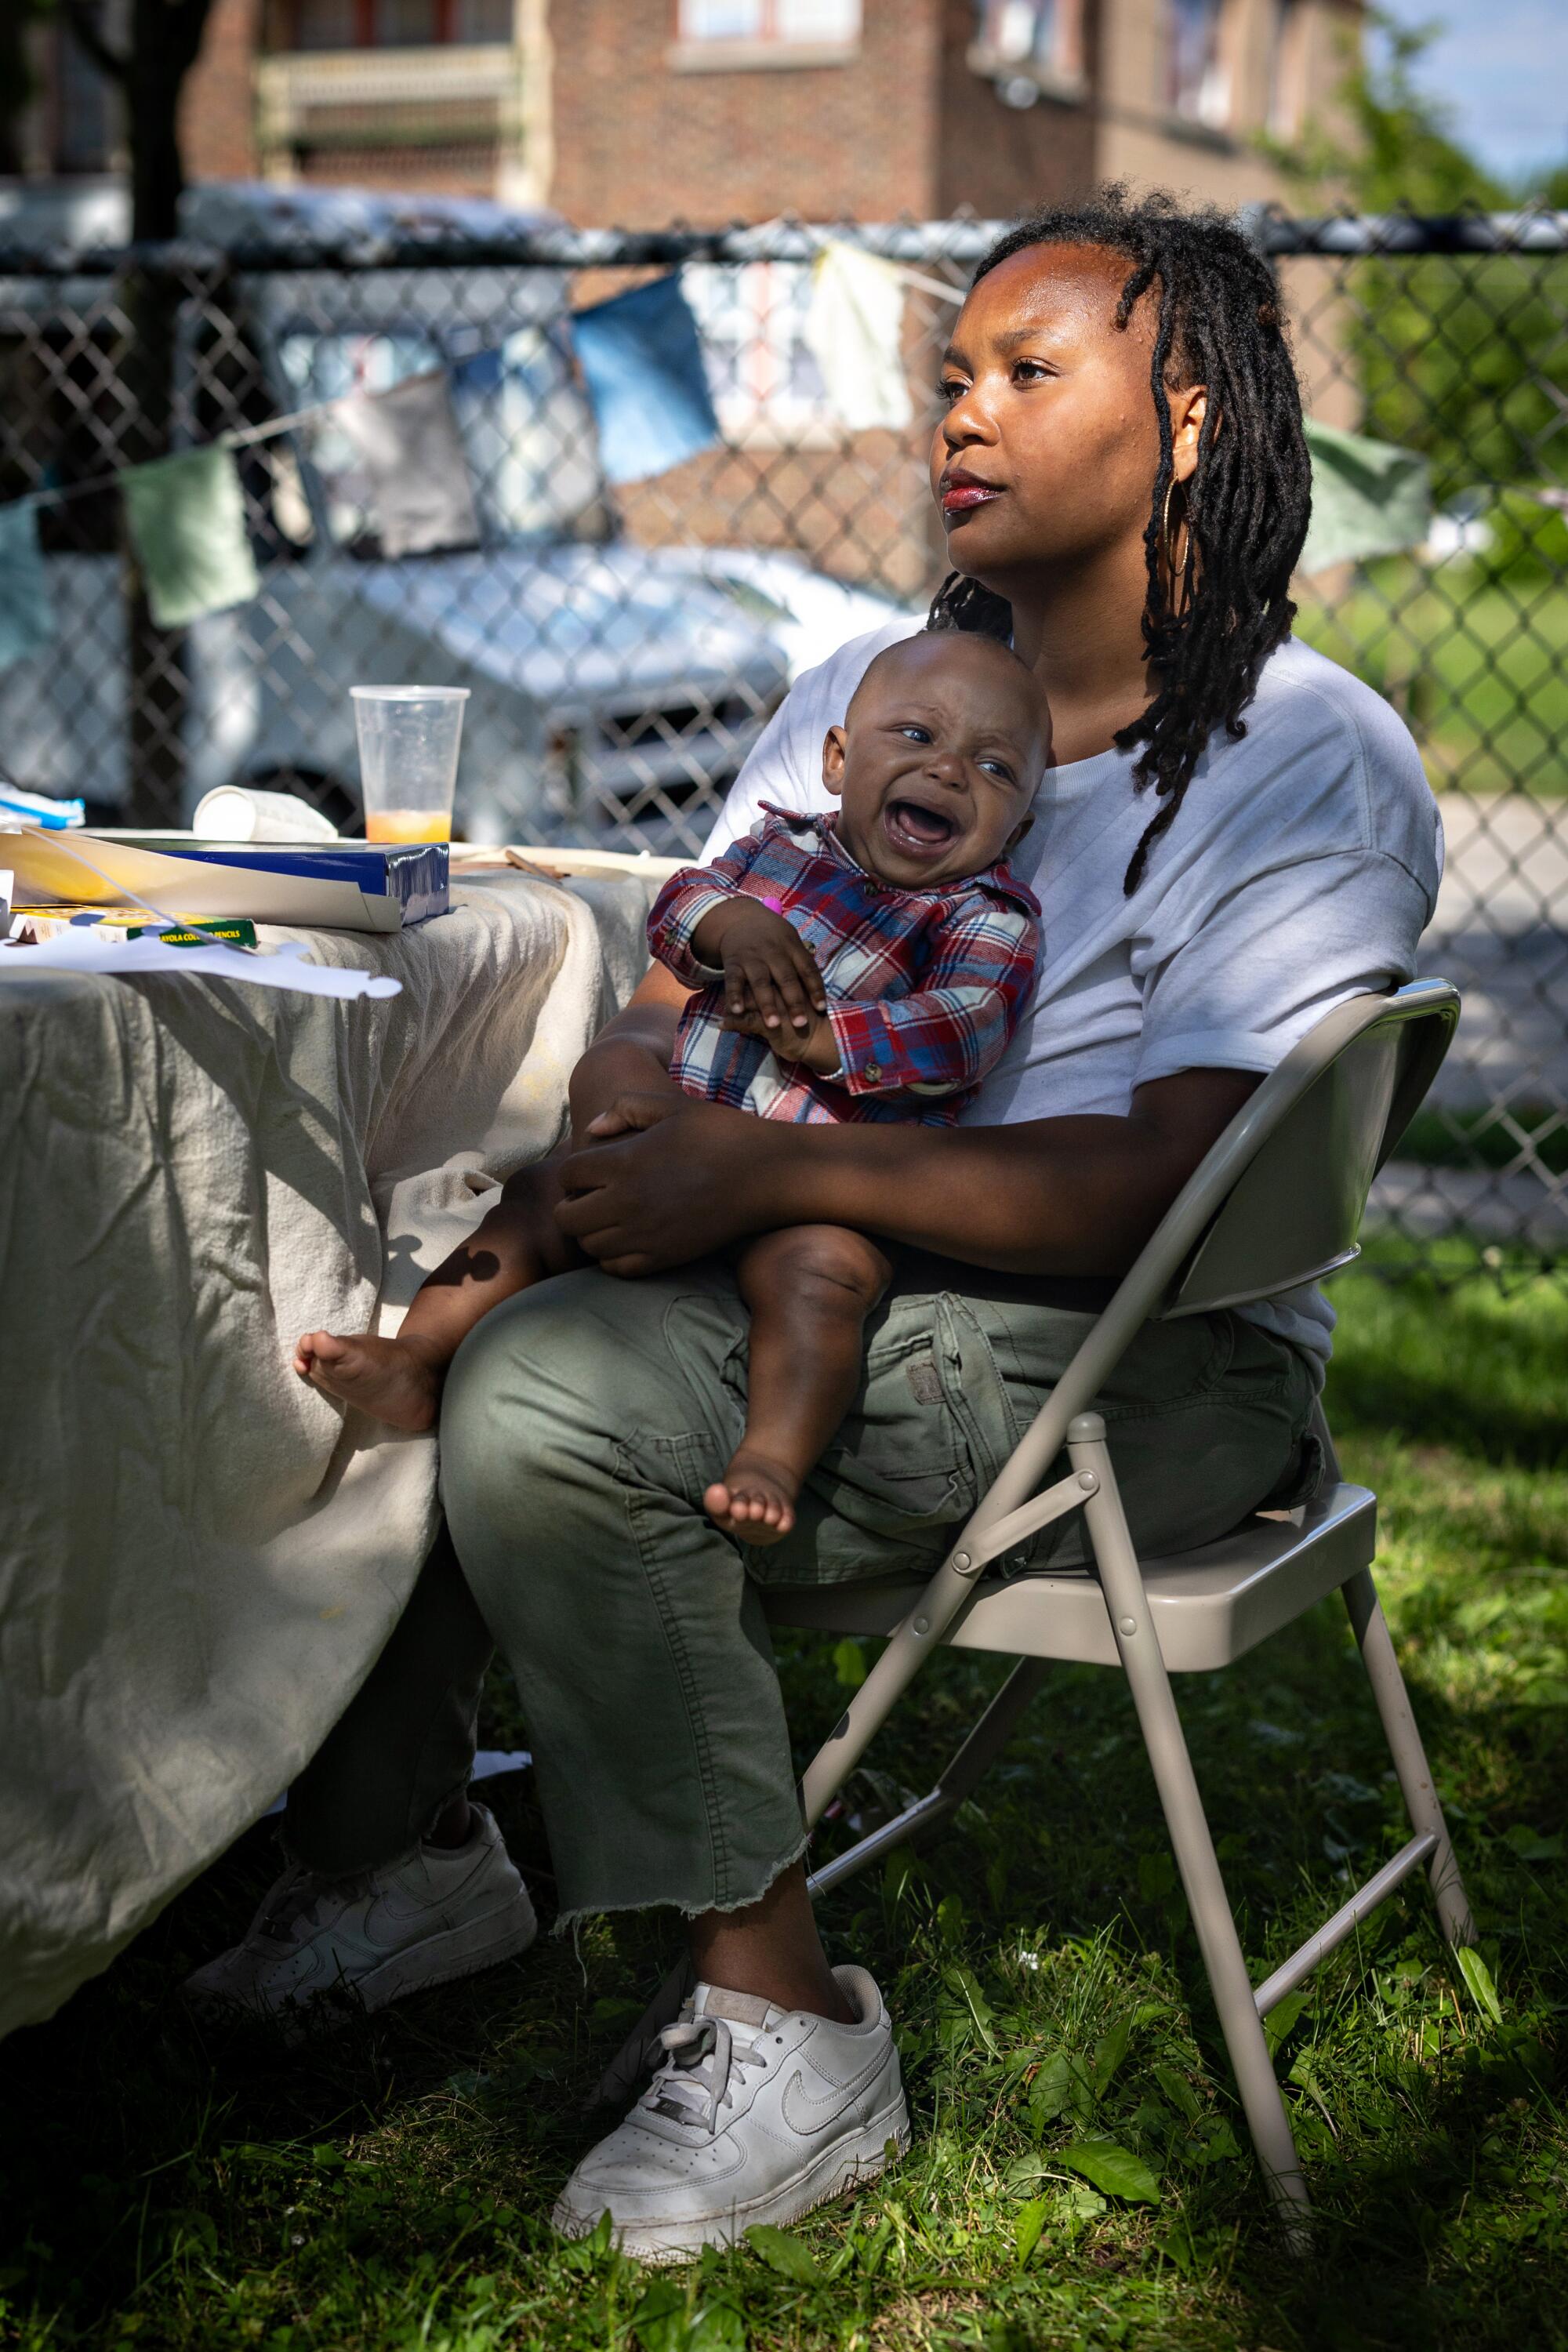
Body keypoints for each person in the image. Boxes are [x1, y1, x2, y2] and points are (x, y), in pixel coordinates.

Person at [187, 189, 1442, 2263]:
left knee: (553, 1394)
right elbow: (689, 975)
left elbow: (1173, 1189)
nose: (966, 411)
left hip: (1148, 1352)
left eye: (1035, 374)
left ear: (1197, 414)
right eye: (952, 373)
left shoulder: (1307, 757)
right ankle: (401, 1857)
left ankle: (785, 2023)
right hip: (801, 1255)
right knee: (382, 1307)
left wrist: (775, 1173)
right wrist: (629, 1104)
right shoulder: (871, 687)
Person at [292, 632, 1047, 1543]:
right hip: (674, 1143)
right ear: (838, 761)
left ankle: (771, 1459)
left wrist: (812, 1034)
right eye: (917, 736)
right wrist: (731, 927)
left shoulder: (984, 917)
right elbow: (677, 905)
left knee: (823, 1282)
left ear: (1022, 822)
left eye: (995, 766)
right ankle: (419, 1355)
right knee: (538, 1199)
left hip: (816, 1189)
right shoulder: (776, 853)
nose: (951, 771)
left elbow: (959, 1034)